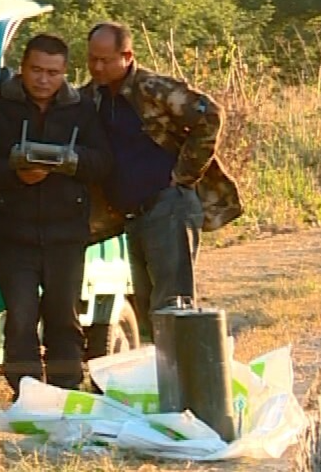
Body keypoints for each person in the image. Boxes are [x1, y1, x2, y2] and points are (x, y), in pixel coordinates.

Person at [83, 21, 243, 335]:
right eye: (92, 59)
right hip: (131, 214)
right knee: (145, 307)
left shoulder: (153, 89)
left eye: (105, 60)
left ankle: (178, 379)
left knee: (172, 305)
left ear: (127, 56)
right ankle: (155, 376)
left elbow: (210, 115)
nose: (97, 67)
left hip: (168, 206)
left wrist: (184, 176)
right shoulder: (94, 96)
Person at [0, 33, 112, 396]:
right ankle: (27, 393)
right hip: (14, 233)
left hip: (66, 235)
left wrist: (67, 163)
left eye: (53, 73)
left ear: (65, 74)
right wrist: (15, 170)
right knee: (21, 319)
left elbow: (103, 162)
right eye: (36, 70)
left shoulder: (82, 108)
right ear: (22, 67)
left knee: (63, 316)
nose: (43, 80)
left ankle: (67, 390)